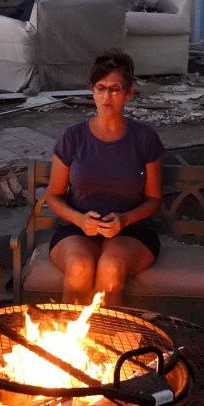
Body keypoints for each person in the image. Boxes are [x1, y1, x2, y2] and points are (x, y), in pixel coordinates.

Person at [44, 49, 165, 305]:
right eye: (100, 88)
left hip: (132, 231)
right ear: (92, 91)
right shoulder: (73, 137)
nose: (107, 96)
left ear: (129, 93)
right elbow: (53, 196)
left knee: (111, 268)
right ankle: (70, 342)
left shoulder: (144, 138)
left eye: (115, 89)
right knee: (79, 267)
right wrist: (79, 219)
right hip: (77, 228)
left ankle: (108, 341)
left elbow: (154, 199)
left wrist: (125, 219)